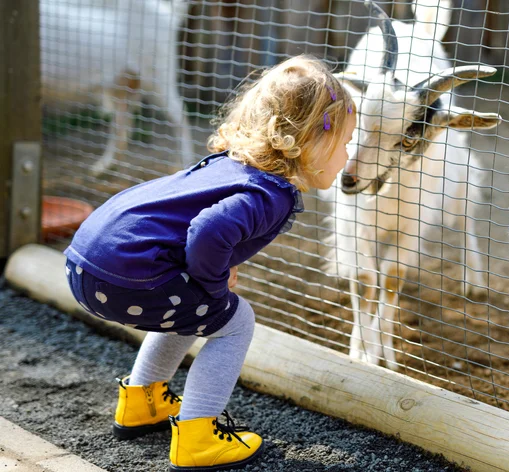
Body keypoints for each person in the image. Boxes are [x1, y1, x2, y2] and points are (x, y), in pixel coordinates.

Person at [64, 55, 356, 471]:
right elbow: (209, 232)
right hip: (130, 276)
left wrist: (208, 278)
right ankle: (199, 436)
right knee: (235, 320)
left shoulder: (229, 166)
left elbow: (193, 229)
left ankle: (142, 403)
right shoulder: (269, 194)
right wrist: (214, 284)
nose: (349, 153)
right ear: (311, 140)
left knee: (199, 309)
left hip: (86, 263)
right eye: (344, 141)